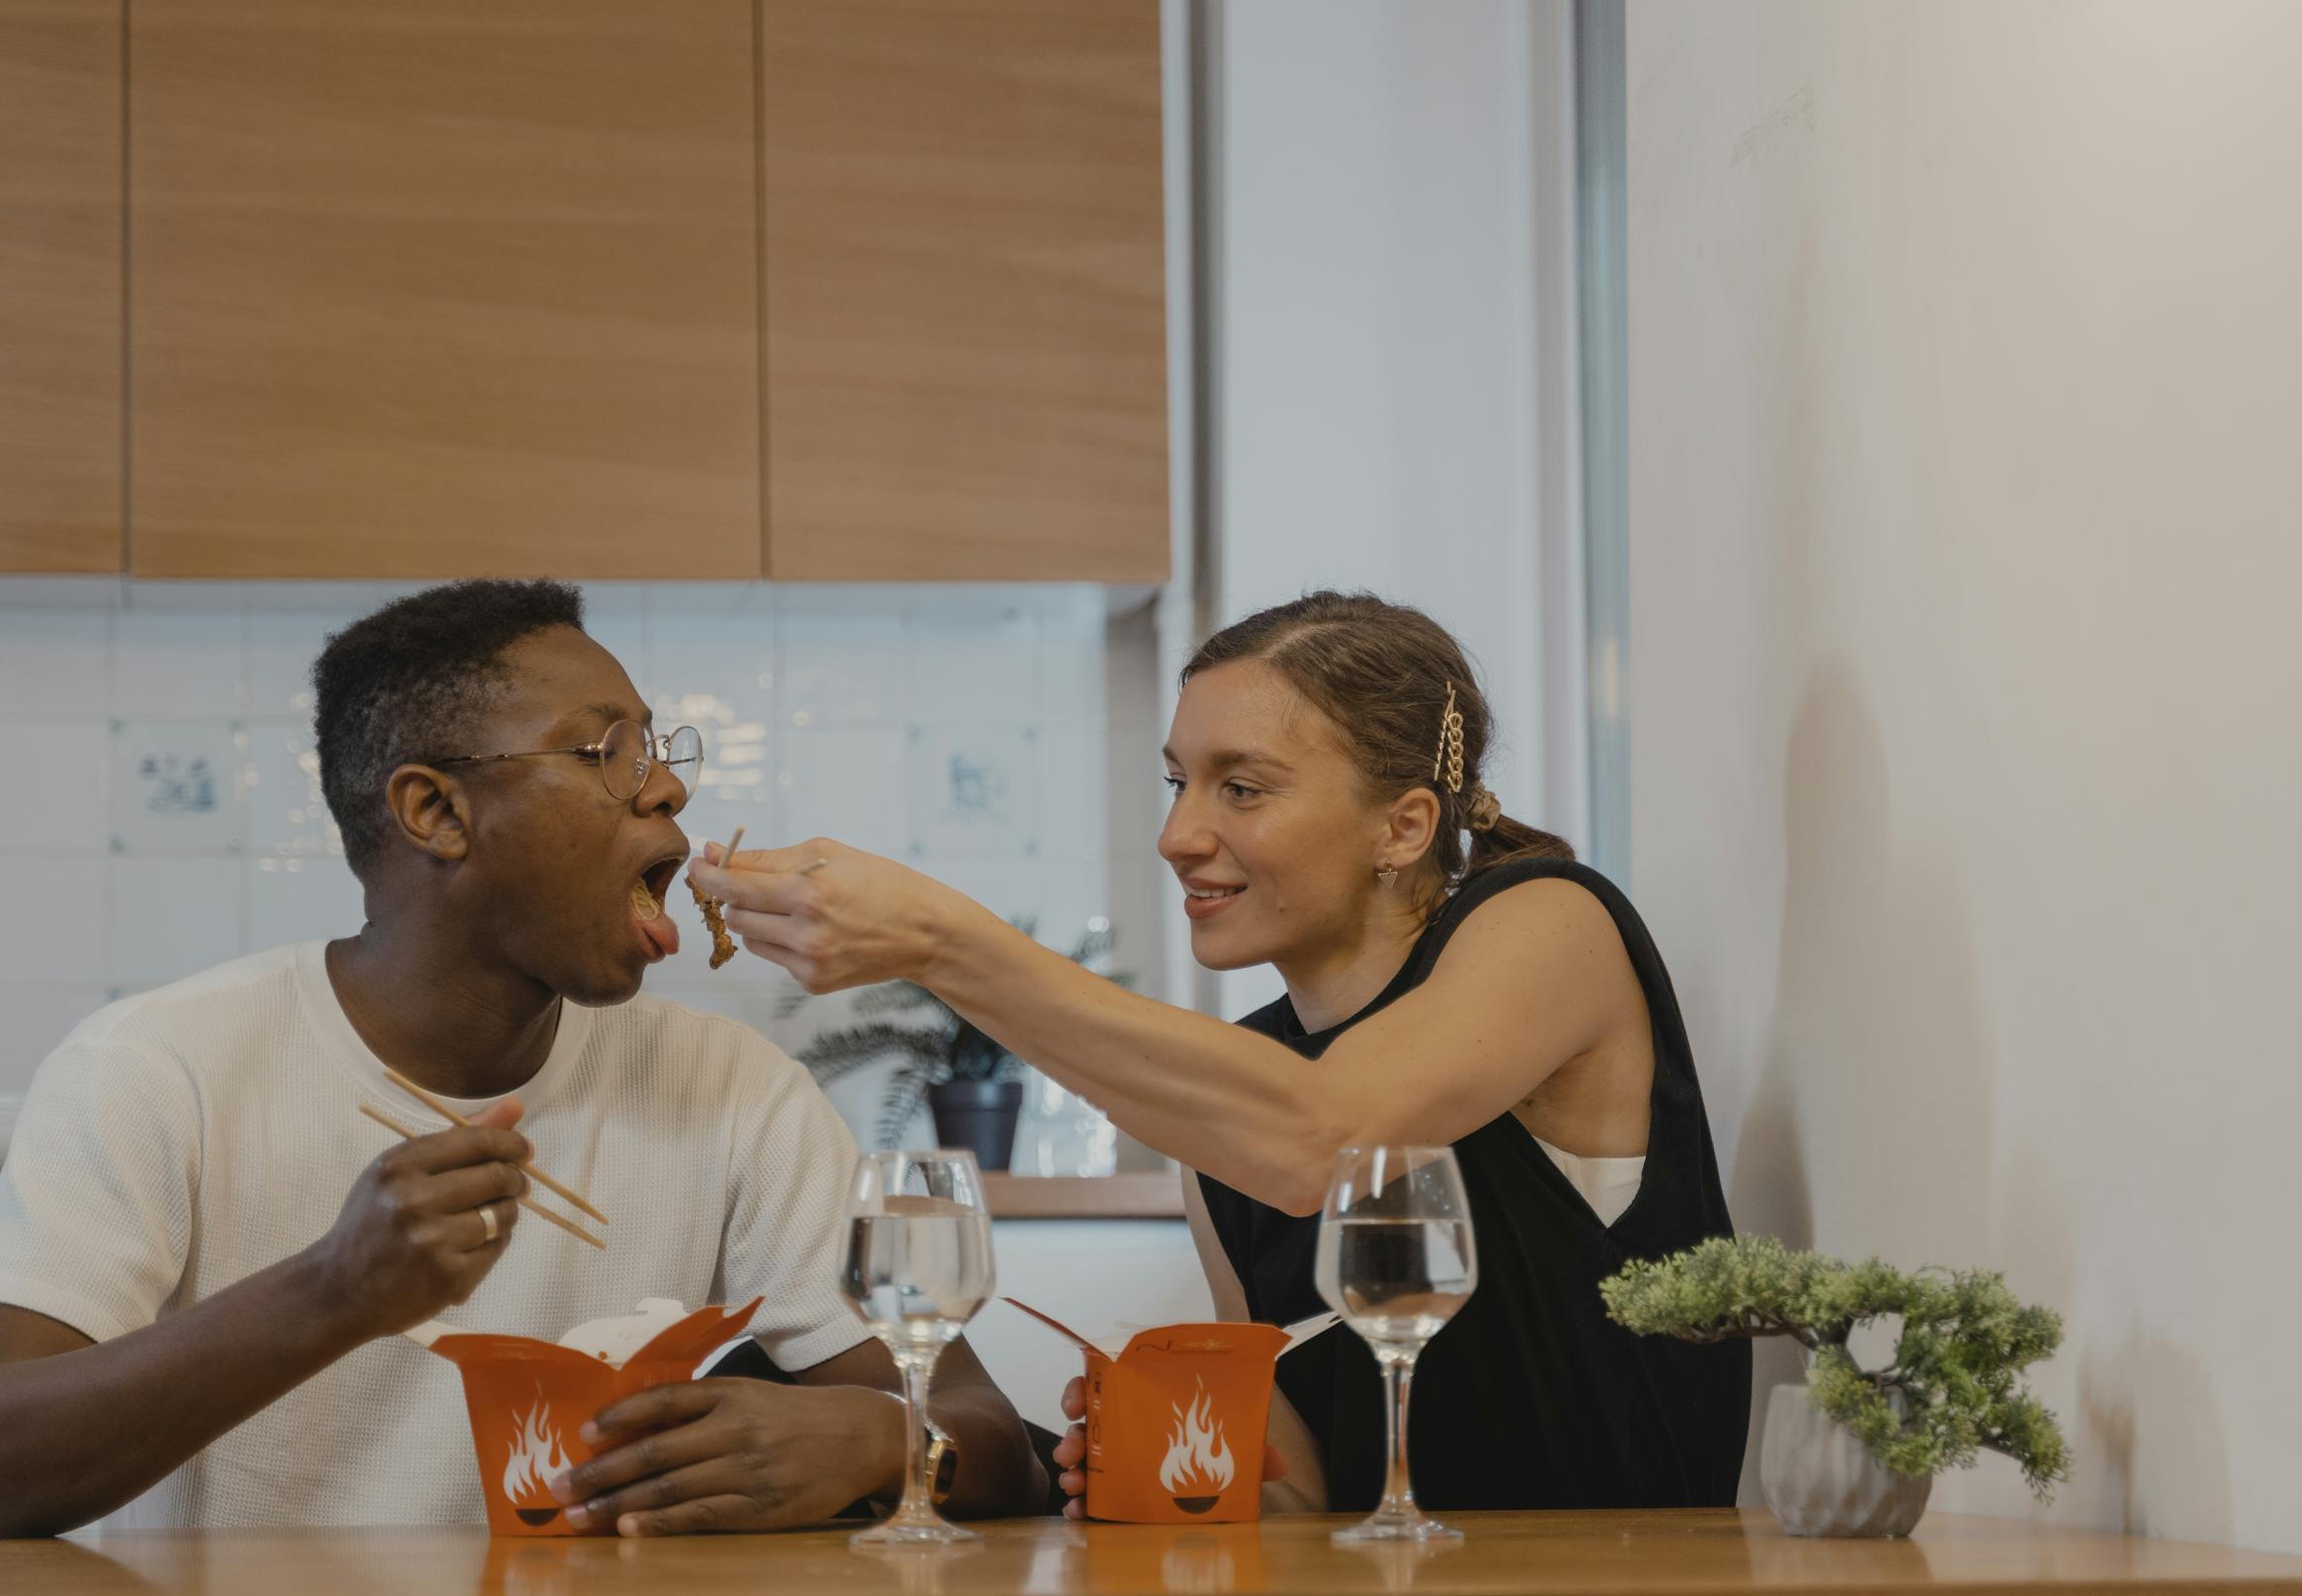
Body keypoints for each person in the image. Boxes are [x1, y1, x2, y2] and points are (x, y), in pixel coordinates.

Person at [0, 579, 1045, 1596]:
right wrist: (334, 1291)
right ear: (435, 811)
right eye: (606, 754)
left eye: (661, 754)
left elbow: (992, 1439)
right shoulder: (157, 1068)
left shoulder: (728, 1091)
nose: (668, 797)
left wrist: (866, 1437)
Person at [692, 589, 1751, 1528]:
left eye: (1240, 787)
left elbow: (1325, 1137)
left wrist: (940, 941)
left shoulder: (1550, 921)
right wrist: (1167, 1462)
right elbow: (1295, 1493)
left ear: (1404, 824)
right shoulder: (1235, 1104)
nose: (1178, 836)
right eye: (1176, 783)